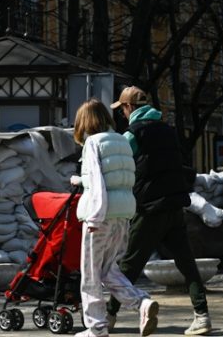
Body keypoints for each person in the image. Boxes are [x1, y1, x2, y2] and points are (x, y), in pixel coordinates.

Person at [107, 86, 212, 336]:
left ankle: (108, 316)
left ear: (129, 107)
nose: (122, 114)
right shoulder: (168, 130)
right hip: (175, 205)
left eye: (122, 109)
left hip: (150, 208)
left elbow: (119, 166)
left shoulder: (132, 134)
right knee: (187, 263)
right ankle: (202, 316)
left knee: (129, 264)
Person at [71, 98, 159, 337]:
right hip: (123, 215)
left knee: (90, 274)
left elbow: (97, 181)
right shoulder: (121, 140)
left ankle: (96, 327)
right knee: (108, 269)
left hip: (100, 215)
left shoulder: (92, 143)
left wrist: (94, 216)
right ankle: (141, 303)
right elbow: (120, 179)